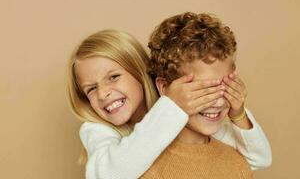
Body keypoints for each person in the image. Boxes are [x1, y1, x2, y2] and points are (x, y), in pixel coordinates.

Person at [67, 28, 271, 179]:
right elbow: (109, 175)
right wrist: (174, 105)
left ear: (139, 72)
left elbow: (257, 159)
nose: (103, 94)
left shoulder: (186, 119)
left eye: (113, 77)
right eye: (91, 89)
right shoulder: (96, 129)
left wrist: (238, 113)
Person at [141, 12, 269, 178]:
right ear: (165, 87)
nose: (216, 102)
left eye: (224, 85)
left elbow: (260, 157)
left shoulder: (237, 164)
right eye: (203, 90)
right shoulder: (144, 165)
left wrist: (239, 114)